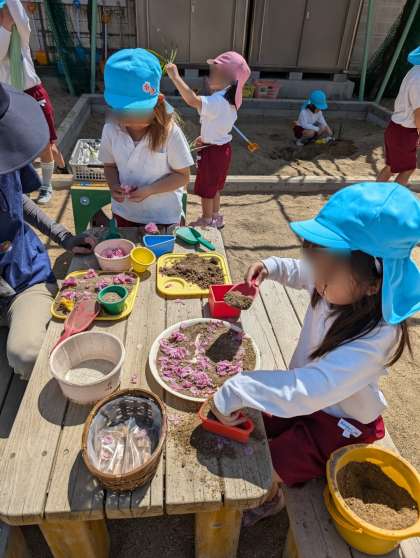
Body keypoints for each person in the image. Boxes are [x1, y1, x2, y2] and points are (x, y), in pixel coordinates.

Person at [209, 181, 420, 526]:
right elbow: (303, 271)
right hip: (310, 396)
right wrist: (271, 266)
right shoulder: (336, 284)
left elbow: (307, 390)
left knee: (273, 462)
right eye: (316, 265)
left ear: (373, 282)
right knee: (261, 422)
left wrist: (237, 386)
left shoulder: (378, 337)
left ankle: (272, 499)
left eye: (324, 272)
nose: (315, 278)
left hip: (340, 422)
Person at [0, 82, 95, 380]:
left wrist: (63, 236)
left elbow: (18, 201)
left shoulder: (6, 153)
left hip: (22, 278)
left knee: (26, 355)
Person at [99, 49, 194, 232]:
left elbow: (182, 176)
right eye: (122, 111)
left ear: (158, 101)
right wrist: (114, 185)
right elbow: (110, 166)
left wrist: (150, 190)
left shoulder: (170, 132)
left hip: (164, 216)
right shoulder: (111, 129)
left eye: (137, 111)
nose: (128, 119)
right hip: (125, 213)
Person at [166, 51, 251, 229]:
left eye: (215, 72)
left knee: (207, 189)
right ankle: (215, 216)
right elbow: (218, 124)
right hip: (222, 148)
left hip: (212, 153)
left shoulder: (218, 101)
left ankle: (206, 220)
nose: (209, 75)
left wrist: (175, 77)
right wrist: (205, 138)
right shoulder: (230, 99)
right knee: (215, 187)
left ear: (230, 78)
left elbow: (192, 100)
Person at [0, 0, 64, 205]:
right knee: (15, 145)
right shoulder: (4, 37)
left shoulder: (21, 36)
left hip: (33, 92)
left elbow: (20, 18)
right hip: (10, 97)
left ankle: (47, 184)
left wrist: (10, 12)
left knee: (45, 142)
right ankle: (22, 187)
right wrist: (5, 25)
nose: (7, 13)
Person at [377, 46, 420, 186]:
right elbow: (419, 113)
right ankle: (394, 196)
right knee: (408, 168)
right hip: (405, 131)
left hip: (397, 128)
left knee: (391, 167)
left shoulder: (415, 70)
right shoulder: (418, 80)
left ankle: (375, 194)